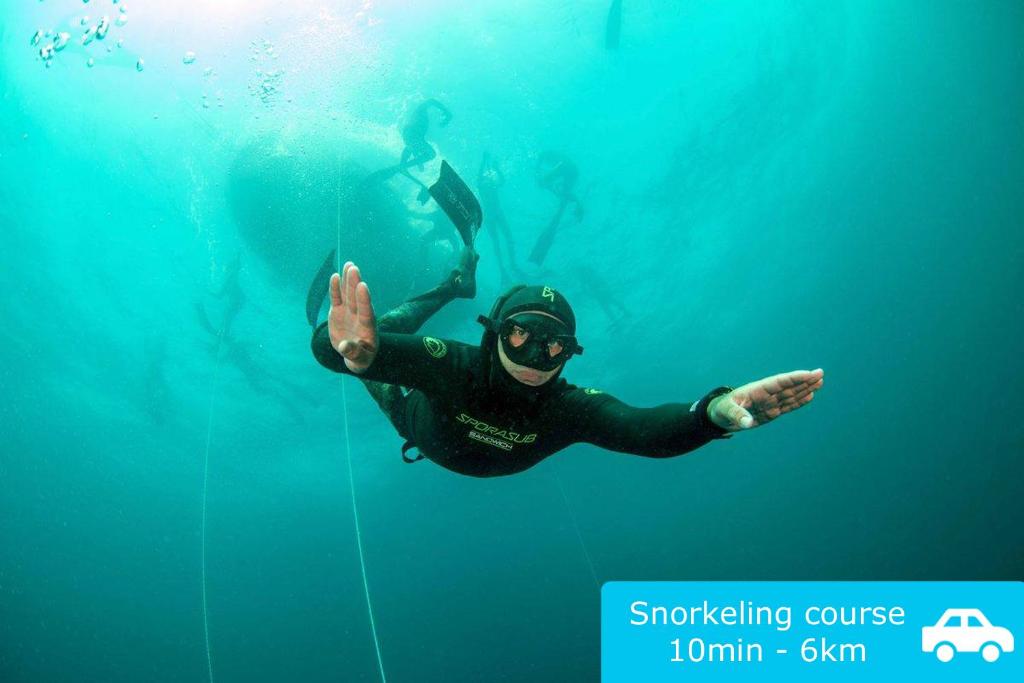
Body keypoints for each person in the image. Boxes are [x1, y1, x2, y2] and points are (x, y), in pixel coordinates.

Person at [310, 260, 824, 478]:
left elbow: (644, 431)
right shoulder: (453, 365)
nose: (538, 359)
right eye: (522, 336)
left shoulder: (570, 408)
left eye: (555, 346)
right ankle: (449, 288)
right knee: (371, 352)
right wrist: (353, 351)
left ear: (570, 352)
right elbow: (332, 352)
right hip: (413, 419)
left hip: (437, 441)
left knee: (369, 353)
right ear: (495, 332)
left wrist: (709, 414)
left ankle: (441, 295)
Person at [529, 151, 585, 265]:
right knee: (562, 202)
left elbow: (541, 159)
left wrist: (537, 171)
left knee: (541, 183)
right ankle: (578, 203)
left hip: (565, 166)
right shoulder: (557, 156)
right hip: (572, 171)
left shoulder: (544, 155)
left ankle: (576, 202)